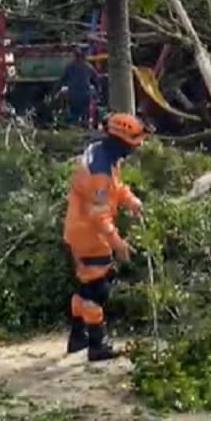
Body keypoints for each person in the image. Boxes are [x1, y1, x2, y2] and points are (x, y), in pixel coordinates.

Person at [63, 113, 148, 361]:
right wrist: (118, 244)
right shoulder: (99, 171)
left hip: (80, 231)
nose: (136, 148)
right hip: (89, 236)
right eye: (134, 143)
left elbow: (117, 187)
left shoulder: (103, 154)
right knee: (97, 290)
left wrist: (130, 201)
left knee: (85, 286)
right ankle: (97, 345)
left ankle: (77, 338)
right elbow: (99, 216)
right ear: (121, 141)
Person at [59, 48, 105, 127]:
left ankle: (75, 126)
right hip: (85, 95)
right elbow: (96, 80)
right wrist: (98, 94)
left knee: (74, 115)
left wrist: (55, 92)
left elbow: (62, 80)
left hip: (73, 95)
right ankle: (85, 125)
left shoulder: (70, 67)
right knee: (85, 115)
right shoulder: (88, 67)